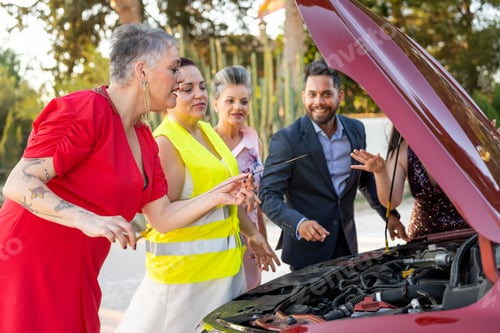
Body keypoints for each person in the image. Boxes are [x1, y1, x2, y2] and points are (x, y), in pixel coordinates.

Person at [0, 24, 256, 333]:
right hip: (28, 260)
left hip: (79, 269)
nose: (179, 79)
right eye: (173, 68)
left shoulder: (145, 138)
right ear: (142, 71)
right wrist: (87, 219)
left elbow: (161, 216)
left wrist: (217, 195)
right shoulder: (85, 110)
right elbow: (19, 182)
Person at [116, 58, 280, 333]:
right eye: (187, 88)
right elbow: (163, 215)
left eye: (202, 87)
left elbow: (227, 197)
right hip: (185, 284)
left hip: (226, 274)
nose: (199, 94)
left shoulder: (206, 132)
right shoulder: (165, 144)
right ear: (171, 91)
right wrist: (216, 196)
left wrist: (253, 234)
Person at [259, 58, 405, 271]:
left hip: (347, 247)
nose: (318, 101)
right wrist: (299, 224)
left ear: (340, 96)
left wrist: (389, 215)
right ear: (303, 96)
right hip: (306, 254)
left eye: (326, 94)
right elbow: (268, 195)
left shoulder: (356, 130)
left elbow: (363, 178)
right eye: (312, 94)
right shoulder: (287, 140)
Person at [351, 127, 470, 239]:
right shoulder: (402, 151)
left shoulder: (464, 142)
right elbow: (391, 202)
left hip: (469, 232)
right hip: (424, 236)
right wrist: (379, 172)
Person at [212, 65, 268, 290]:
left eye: (244, 101)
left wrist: (262, 236)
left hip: (252, 241)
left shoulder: (255, 142)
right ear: (216, 104)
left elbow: (258, 200)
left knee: (252, 303)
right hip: (220, 240)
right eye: (230, 101)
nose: (238, 107)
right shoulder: (206, 144)